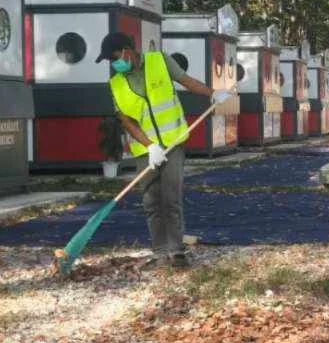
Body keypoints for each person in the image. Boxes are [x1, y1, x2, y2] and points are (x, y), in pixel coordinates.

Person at [97, 32, 232, 268]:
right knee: (151, 201)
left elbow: (187, 81)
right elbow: (127, 121)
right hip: (145, 150)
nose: (114, 63)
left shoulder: (159, 60)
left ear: (129, 50)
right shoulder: (116, 84)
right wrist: (150, 147)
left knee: (171, 198)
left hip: (174, 143)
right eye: (111, 60)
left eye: (115, 57)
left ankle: (176, 251)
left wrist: (213, 94)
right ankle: (160, 252)